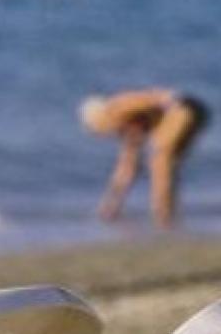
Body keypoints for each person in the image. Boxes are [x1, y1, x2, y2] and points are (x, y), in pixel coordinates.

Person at [79, 88, 210, 229]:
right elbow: (127, 169)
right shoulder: (129, 127)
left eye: (96, 129)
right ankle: (169, 214)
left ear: (98, 119)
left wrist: (167, 106)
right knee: (168, 164)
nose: (104, 134)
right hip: (190, 112)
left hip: (185, 108)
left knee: (160, 159)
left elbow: (154, 98)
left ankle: (163, 215)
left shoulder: (117, 107)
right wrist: (110, 205)